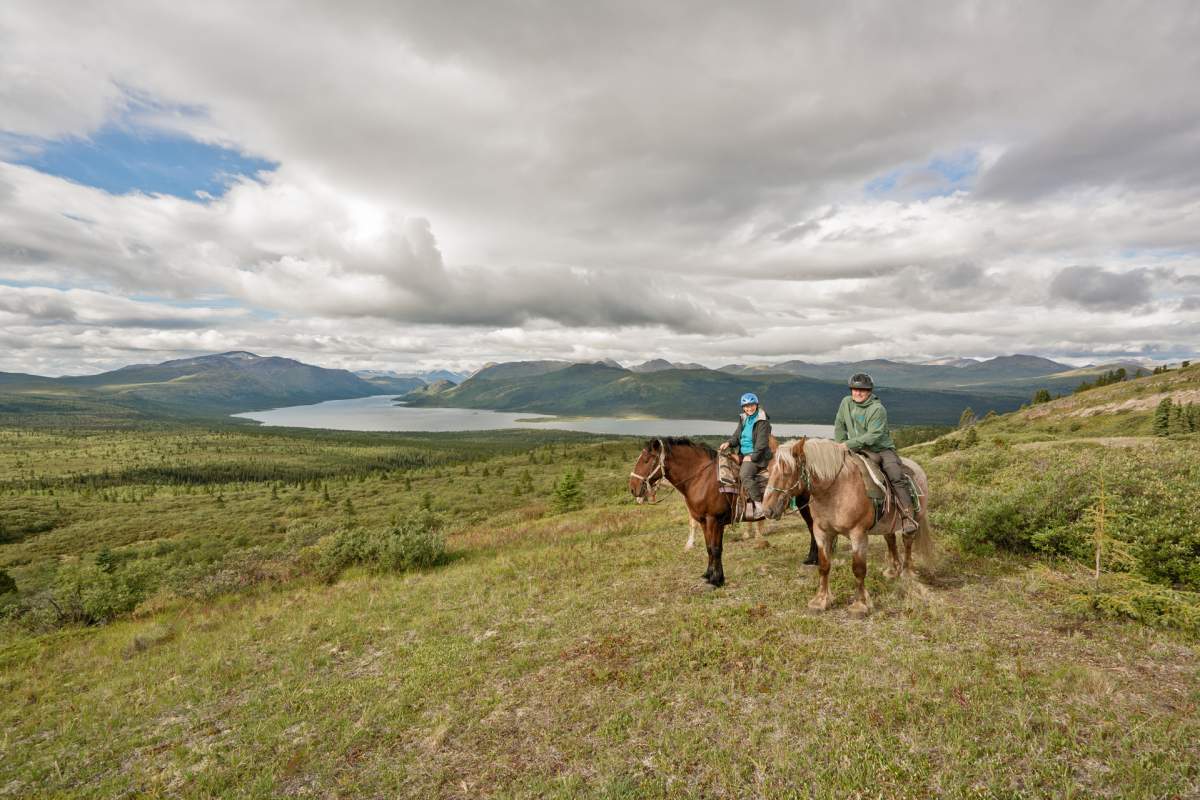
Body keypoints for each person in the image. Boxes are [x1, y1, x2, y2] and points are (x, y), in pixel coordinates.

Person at [833, 373, 918, 534]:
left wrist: (849, 443)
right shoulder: (846, 402)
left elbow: (874, 435)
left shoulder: (877, 409)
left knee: (895, 475)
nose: (858, 393)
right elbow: (839, 424)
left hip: (881, 449)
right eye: (855, 389)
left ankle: (907, 514)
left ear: (870, 391)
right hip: (855, 447)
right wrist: (840, 443)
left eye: (863, 390)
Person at [723, 392, 772, 519]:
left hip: (758, 456)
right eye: (746, 406)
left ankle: (759, 506)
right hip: (743, 454)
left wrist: (752, 456)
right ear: (743, 407)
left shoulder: (763, 421)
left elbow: (762, 443)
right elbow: (736, 436)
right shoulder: (744, 418)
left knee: (744, 474)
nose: (749, 408)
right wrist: (728, 443)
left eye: (751, 405)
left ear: (756, 405)